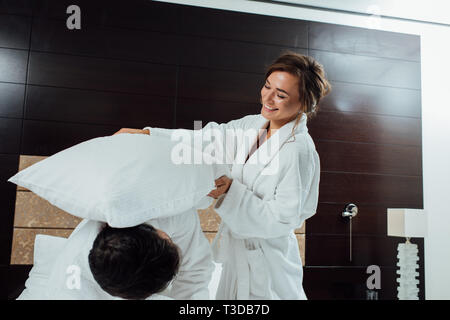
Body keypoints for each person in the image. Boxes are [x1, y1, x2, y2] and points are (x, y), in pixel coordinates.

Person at [115, 51, 331, 299]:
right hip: (237, 253)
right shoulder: (254, 125)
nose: (268, 98)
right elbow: (207, 139)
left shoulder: (298, 150)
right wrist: (150, 136)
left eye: (281, 95)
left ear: (304, 103)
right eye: (266, 86)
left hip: (268, 262)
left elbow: (282, 220)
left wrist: (230, 193)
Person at [18, 208, 214, 300]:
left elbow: (196, 268)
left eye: (169, 242)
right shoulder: (68, 289)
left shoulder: (172, 210)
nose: (171, 240)